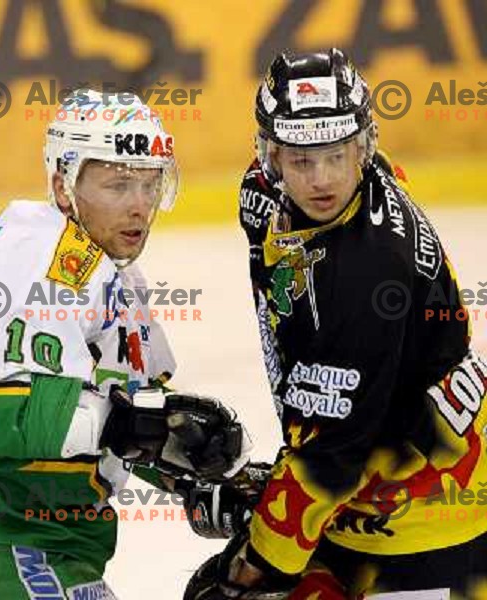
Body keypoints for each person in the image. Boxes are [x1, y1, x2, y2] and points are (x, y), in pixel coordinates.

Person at [0, 89, 249, 599]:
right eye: (119, 184)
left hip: (31, 541)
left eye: (150, 184)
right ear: (63, 185)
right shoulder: (40, 260)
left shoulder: (115, 277)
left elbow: (124, 416)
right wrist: (138, 425)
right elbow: (7, 417)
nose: (140, 206)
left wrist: (199, 472)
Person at [183, 48, 487, 599]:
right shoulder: (263, 194)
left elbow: (333, 457)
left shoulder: (368, 280)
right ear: (269, 157)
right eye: (301, 160)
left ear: (363, 147)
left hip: (431, 518)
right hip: (368, 479)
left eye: (336, 155)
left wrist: (251, 566)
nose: (321, 180)